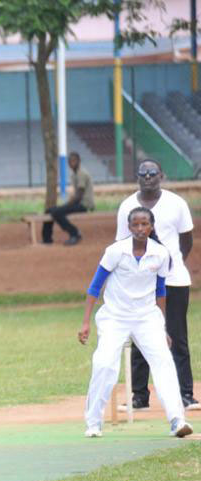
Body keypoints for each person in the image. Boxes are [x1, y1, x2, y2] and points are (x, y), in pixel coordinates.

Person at [78, 207, 192, 439]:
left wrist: (163, 328)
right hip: (115, 316)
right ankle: (93, 422)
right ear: (129, 228)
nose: (140, 229)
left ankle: (177, 420)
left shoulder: (160, 254)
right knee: (104, 363)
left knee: (163, 361)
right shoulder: (115, 251)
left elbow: (160, 292)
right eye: (136, 225)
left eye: (145, 224)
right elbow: (95, 286)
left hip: (146, 317)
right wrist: (86, 322)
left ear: (151, 226)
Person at [115, 159, 198, 411]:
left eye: (153, 173)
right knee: (140, 336)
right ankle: (140, 396)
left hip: (174, 281)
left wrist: (172, 265)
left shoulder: (176, 204)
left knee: (176, 336)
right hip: (141, 284)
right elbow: (122, 245)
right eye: (143, 174)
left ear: (161, 175)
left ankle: (185, 394)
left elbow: (187, 240)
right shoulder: (127, 206)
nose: (148, 177)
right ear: (137, 177)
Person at [42, 151, 94, 246]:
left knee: (57, 212)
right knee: (49, 210)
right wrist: (66, 205)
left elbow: (79, 196)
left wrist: (66, 205)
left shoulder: (81, 174)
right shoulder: (74, 174)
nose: (71, 163)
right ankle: (47, 238)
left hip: (84, 205)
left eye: (74, 161)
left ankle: (75, 233)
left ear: (79, 161)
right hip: (78, 203)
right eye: (70, 161)